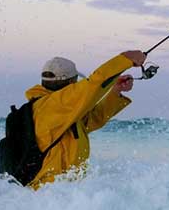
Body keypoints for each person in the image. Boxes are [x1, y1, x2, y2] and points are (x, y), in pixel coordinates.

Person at [21, 50, 146, 190]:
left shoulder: (60, 113)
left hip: (61, 194)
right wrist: (125, 59)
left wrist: (115, 92)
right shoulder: (53, 106)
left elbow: (92, 119)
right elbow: (94, 84)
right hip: (48, 193)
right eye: (75, 83)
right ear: (70, 83)